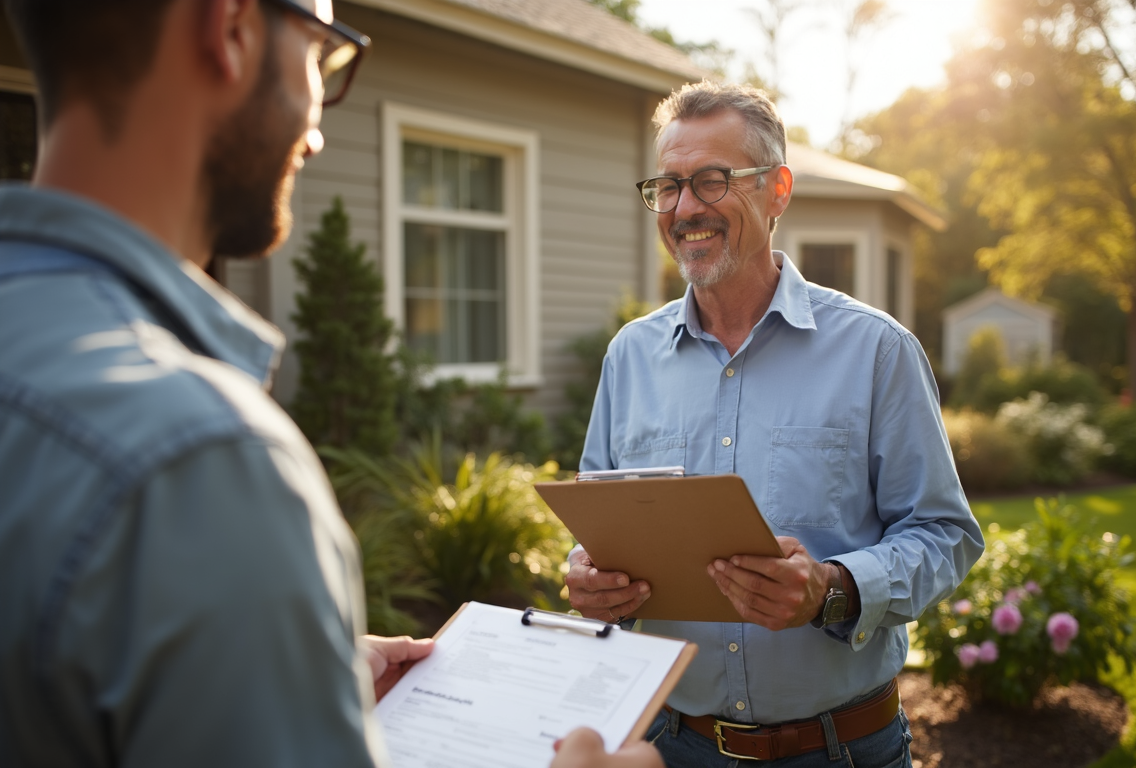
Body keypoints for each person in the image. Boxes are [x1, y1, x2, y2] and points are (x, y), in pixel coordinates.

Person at [0, 1, 661, 766]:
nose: (316, 136)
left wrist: (298, 682)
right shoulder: (202, 462)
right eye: (322, 55)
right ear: (233, 29)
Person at [565, 81, 985, 767]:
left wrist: (833, 590)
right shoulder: (630, 357)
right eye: (667, 186)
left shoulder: (876, 351)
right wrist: (590, 579)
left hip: (838, 750)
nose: (684, 208)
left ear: (777, 190)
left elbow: (945, 535)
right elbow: (603, 531)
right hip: (670, 745)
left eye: (710, 181)